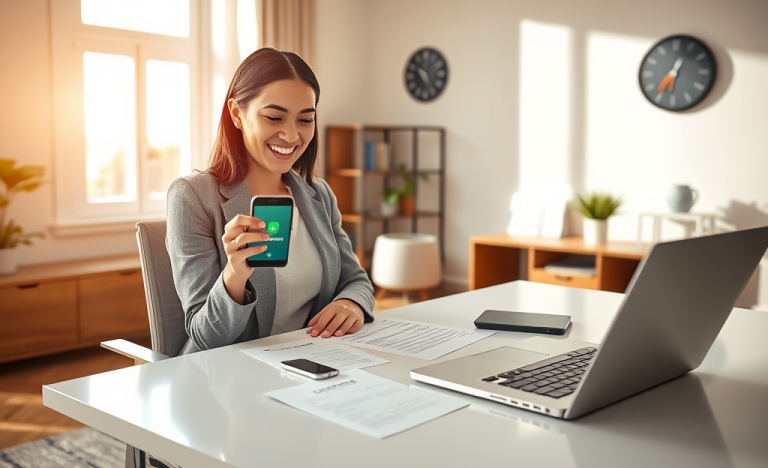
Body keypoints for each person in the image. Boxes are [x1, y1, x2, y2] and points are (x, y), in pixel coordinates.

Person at [166, 48, 374, 355]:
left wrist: (351, 303)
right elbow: (206, 337)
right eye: (274, 117)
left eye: (305, 120)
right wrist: (236, 274)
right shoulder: (193, 197)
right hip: (225, 379)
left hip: (309, 365)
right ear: (237, 114)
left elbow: (356, 279)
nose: (291, 135)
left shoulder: (320, 195)